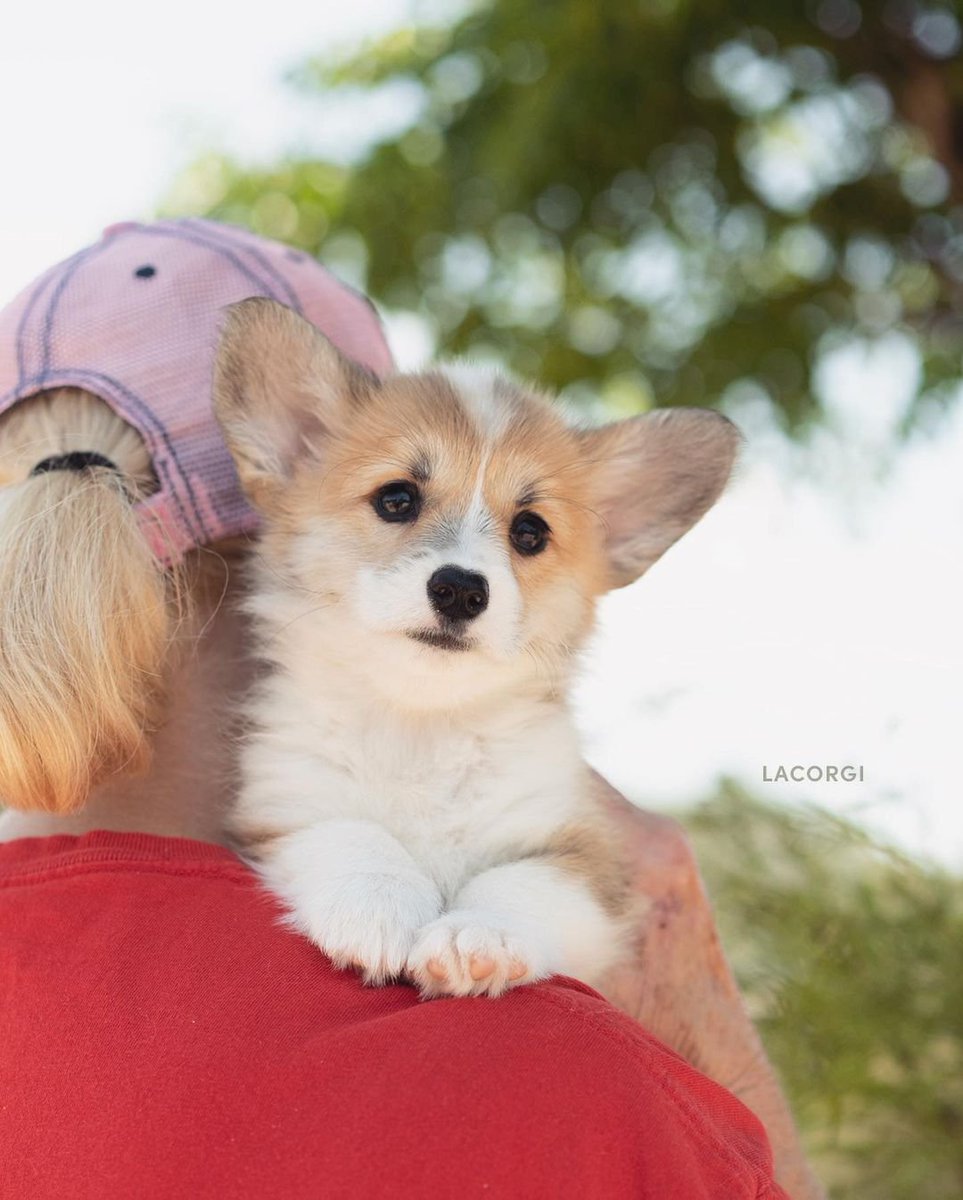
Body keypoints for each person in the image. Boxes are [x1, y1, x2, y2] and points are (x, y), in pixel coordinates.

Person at [0, 220, 820, 1199]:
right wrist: (700, 1025)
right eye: (399, 497)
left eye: (520, 531)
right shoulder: (563, 1078)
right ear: (285, 470)